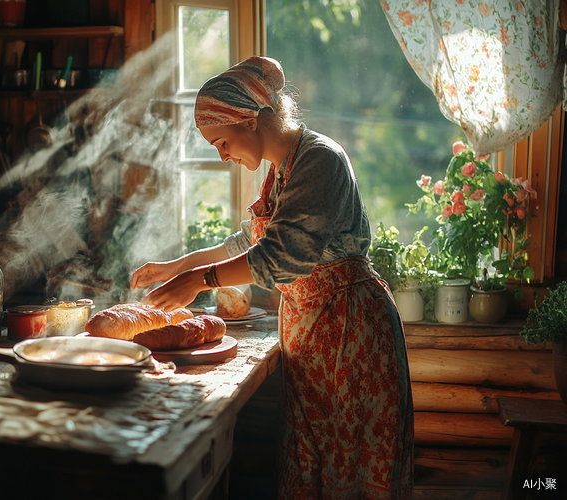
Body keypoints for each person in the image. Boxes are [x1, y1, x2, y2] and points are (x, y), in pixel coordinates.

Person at [130, 56, 413, 500]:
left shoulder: (320, 161)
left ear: (254, 119)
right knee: (312, 465)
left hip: (351, 336)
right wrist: (178, 267)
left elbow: (282, 256)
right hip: (315, 338)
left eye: (222, 141)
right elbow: (246, 242)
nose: (221, 155)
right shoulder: (280, 172)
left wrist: (200, 281)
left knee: (350, 469)